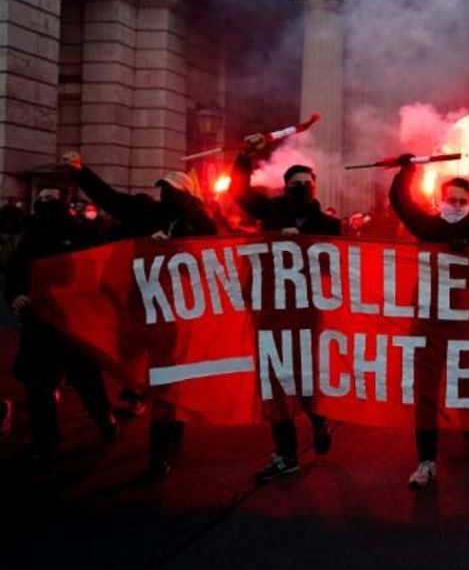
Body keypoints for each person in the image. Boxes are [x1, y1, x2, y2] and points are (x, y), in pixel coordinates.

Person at [64, 151, 216, 478]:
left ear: (187, 195)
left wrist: (179, 242)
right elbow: (111, 199)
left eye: (173, 191)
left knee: (169, 379)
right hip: (142, 304)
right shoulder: (146, 211)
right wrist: (81, 172)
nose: (166, 195)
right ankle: (136, 394)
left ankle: (161, 449)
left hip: (180, 311)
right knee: (137, 360)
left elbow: (214, 252)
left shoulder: (198, 222)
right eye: (164, 189)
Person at [230, 137, 342, 482]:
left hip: (305, 310)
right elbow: (238, 193)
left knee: (302, 375)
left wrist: (305, 246)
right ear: (285, 188)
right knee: (274, 379)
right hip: (270, 308)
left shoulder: (327, 225)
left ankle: (317, 417)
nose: (301, 189)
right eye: (294, 185)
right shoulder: (271, 211)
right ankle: (286, 453)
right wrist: (244, 157)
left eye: (306, 184)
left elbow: (334, 267)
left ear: (314, 187)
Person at [389, 154, 469, 488]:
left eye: (463, 201)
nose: (457, 205)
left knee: (466, 381)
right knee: (426, 390)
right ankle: (426, 461)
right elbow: (400, 201)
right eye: (452, 199)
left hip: (463, 320)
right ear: (442, 200)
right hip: (428, 319)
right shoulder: (428, 226)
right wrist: (407, 170)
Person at [5, 186, 119, 460]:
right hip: (49, 320)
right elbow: (16, 269)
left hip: (65, 320)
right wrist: (16, 295)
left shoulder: (75, 232)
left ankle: (99, 421)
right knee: (47, 381)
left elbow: (96, 265)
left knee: (78, 378)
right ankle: (53, 436)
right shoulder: (36, 234)